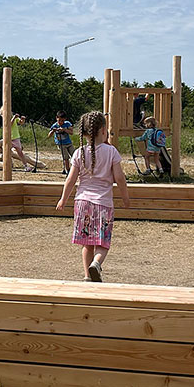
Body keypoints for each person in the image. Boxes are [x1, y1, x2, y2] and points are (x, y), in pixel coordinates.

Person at [56, 111, 130, 282]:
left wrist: (63, 199)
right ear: (103, 130)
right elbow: (120, 178)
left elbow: (70, 179)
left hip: (82, 203)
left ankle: (87, 276)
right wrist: (126, 197)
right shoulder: (111, 152)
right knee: (102, 243)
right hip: (103, 204)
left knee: (87, 244)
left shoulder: (78, 153)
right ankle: (96, 264)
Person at [47, 111, 74, 175]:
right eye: (59, 120)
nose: (61, 122)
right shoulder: (54, 125)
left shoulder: (67, 124)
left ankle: (75, 168)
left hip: (68, 143)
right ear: (57, 118)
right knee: (66, 158)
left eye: (62, 120)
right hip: (61, 144)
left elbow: (71, 132)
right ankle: (68, 170)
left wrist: (64, 130)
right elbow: (49, 135)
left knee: (74, 155)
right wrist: (53, 131)